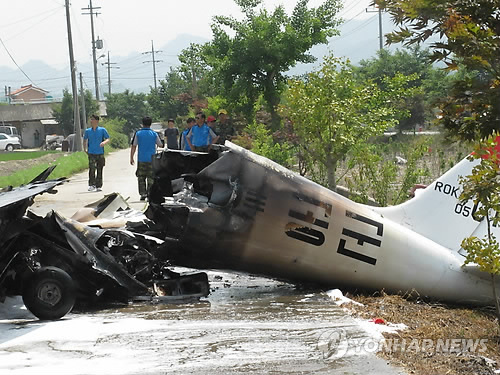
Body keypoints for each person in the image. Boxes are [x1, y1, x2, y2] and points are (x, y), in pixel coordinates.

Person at [130, 116, 163, 200]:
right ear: (150, 124)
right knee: (151, 178)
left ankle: (143, 194)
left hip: (141, 159)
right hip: (152, 159)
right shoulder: (154, 134)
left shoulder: (138, 133)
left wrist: (131, 157)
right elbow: (160, 145)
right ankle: (149, 193)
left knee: (141, 177)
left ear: (142, 124)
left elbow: (134, 146)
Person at [83, 114, 110, 192]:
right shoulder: (88, 131)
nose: (91, 121)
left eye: (93, 119)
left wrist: (104, 143)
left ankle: (98, 185)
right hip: (91, 152)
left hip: (100, 152)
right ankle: (91, 184)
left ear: (97, 121)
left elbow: (108, 138)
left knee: (100, 169)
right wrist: (85, 149)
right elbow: (85, 140)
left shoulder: (102, 130)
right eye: (91, 119)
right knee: (92, 168)